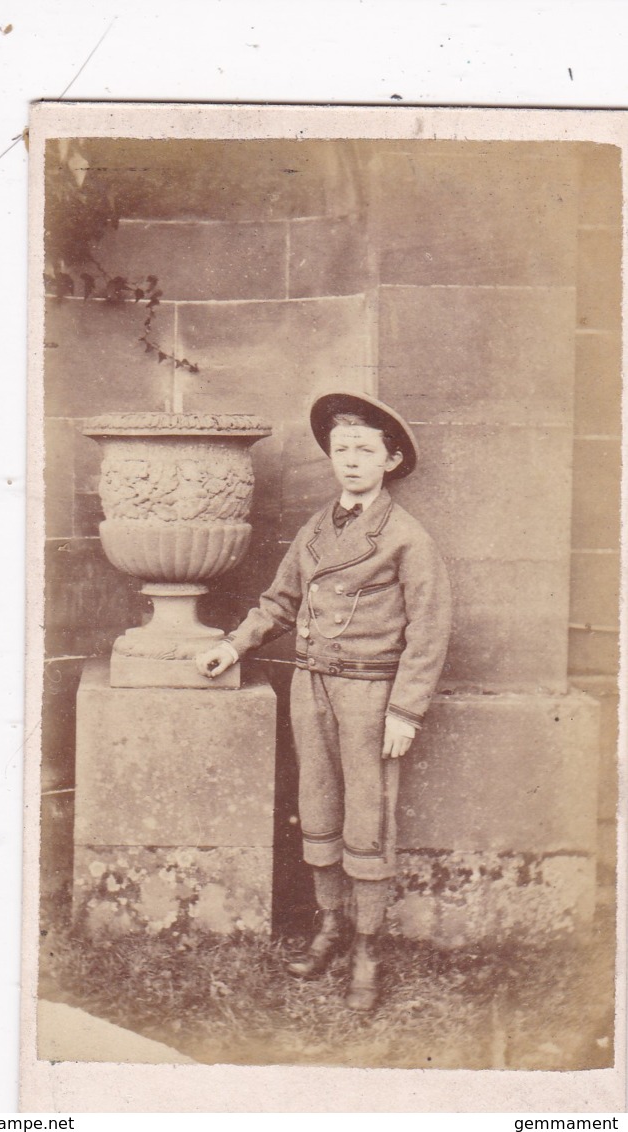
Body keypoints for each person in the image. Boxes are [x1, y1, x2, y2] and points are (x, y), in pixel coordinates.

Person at [195, 390, 452, 1011]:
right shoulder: (316, 528)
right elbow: (281, 601)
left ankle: (366, 946)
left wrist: (405, 710)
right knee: (319, 807)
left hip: (369, 694)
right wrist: (234, 647)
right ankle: (330, 928)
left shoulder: (405, 538)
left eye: (366, 450)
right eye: (342, 450)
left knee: (367, 817)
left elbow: (431, 626)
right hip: (311, 688)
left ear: (391, 460)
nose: (351, 461)